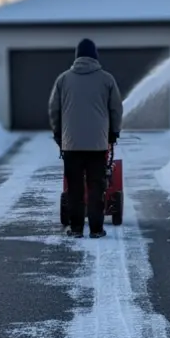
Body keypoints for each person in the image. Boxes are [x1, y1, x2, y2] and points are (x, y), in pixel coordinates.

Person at [49, 38, 123, 238]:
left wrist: (58, 134)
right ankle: (97, 229)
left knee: (74, 187)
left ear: (77, 57)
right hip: (98, 145)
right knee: (96, 186)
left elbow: (54, 110)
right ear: (95, 56)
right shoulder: (107, 79)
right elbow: (116, 108)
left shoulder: (63, 79)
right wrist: (113, 132)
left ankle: (75, 229)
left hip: (71, 144)